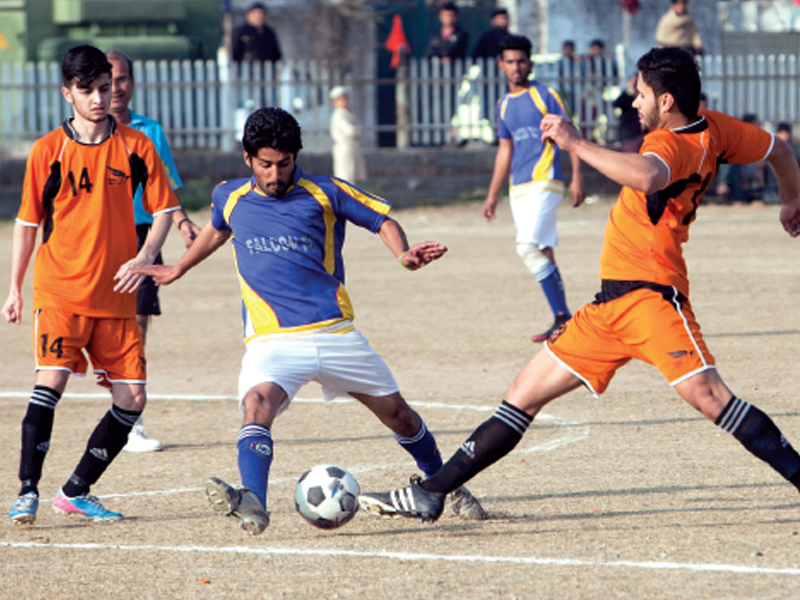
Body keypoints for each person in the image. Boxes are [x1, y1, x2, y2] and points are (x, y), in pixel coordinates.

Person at [359, 47, 800, 523]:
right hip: (608, 307)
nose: (634, 102)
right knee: (522, 394)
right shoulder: (715, 127)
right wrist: (791, 201)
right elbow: (780, 149)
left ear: (667, 101)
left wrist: (575, 143)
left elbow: (649, 175)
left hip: (652, 299)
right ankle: (432, 492)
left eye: (641, 94)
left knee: (714, 399)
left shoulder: (672, 145)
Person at [131, 107, 487, 535]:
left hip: (335, 332)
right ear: (248, 159)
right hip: (273, 340)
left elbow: (381, 220)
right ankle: (254, 502)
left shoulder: (325, 191)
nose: (276, 173)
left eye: (285, 163)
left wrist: (403, 255)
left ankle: (446, 486)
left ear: (296, 157)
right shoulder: (230, 195)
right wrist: (178, 268)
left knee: (402, 417)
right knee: (256, 406)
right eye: (266, 164)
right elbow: (217, 229)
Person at [4, 44, 180, 525]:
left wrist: (145, 258)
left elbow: (165, 211)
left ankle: (76, 490)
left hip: (117, 297)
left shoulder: (137, 145)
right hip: (61, 291)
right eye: (88, 91)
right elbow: (26, 223)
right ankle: (27, 491)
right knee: (51, 382)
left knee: (133, 399)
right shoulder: (48, 151)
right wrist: (15, 288)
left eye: (105, 88)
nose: (100, 98)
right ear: (68, 94)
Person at [106, 51, 202, 453]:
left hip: (145, 238)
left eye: (123, 78)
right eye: (107, 80)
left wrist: (181, 222)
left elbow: (162, 188)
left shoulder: (149, 130)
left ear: (133, 82)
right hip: (98, 238)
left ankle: (131, 422)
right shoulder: (86, 133)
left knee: (137, 326)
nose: (115, 88)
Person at [481, 35, 586, 343]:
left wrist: (578, 176)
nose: (516, 67)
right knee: (543, 249)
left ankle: (565, 316)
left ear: (530, 63)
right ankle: (562, 319)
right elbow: (504, 152)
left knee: (526, 248)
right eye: (510, 62)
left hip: (546, 181)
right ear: (502, 66)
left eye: (521, 61)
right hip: (519, 187)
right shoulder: (502, 105)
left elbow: (571, 135)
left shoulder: (545, 94)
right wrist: (492, 195)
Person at [329, 86, 366, 184]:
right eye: (340, 99)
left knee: (354, 175)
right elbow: (350, 131)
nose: (343, 101)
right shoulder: (338, 116)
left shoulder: (349, 114)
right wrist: (355, 130)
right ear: (334, 102)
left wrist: (356, 131)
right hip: (344, 147)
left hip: (353, 146)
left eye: (345, 98)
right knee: (345, 175)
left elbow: (360, 129)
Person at [613, 72, 644, 153]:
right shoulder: (628, 98)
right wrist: (628, 89)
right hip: (629, 134)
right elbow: (616, 104)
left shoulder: (645, 97)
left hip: (641, 133)